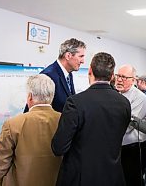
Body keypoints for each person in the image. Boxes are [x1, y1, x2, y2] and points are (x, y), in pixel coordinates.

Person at [52, 52, 131, 186]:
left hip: (80, 178)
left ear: (90, 71)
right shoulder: (124, 103)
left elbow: (59, 147)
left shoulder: (75, 102)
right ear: (112, 76)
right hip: (113, 176)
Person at [0, 74, 62, 186]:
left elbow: (1, 162)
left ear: (30, 97)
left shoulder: (12, 124)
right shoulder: (64, 121)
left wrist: (0, 182)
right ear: (52, 96)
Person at [115, 65, 146, 186]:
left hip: (134, 149)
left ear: (133, 80)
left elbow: (127, 124)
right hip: (118, 148)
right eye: (118, 76)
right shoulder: (116, 94)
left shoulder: (139, 97)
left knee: (132, 181)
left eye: (124, 77)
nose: (119, 80)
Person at [39, 38, 86, 112]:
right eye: (81, 56)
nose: (83, 61)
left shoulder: (69, 74)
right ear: (68, 56)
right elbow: (39, 111)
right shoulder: (47, 76)